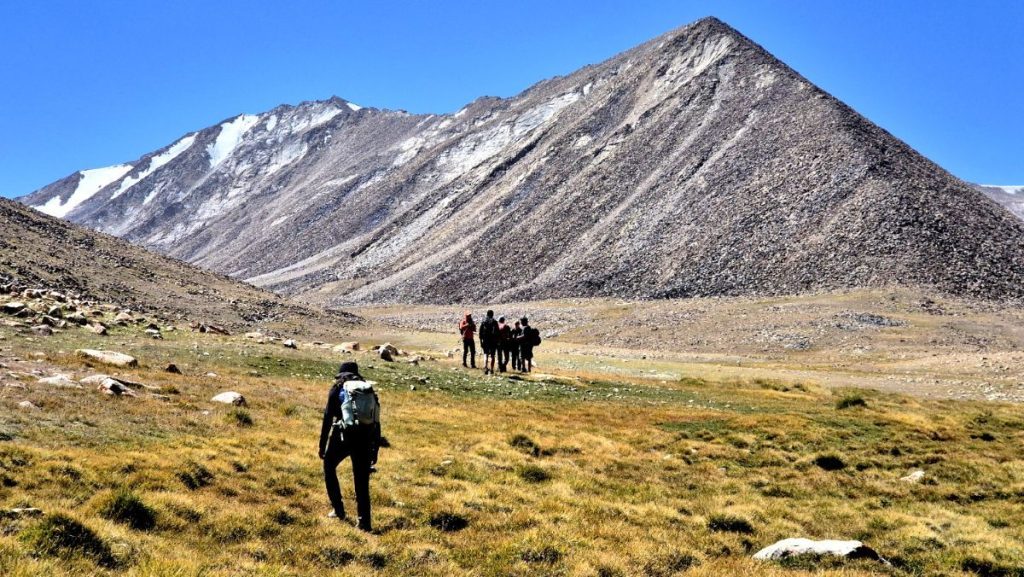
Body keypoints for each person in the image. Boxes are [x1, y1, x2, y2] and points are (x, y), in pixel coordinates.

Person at [319, 361, 380, 532]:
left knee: (329, 466)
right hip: (365, 438)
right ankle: (364, 523)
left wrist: (322, 445)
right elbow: (376, 420)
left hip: (343, 436)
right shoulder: (367, 390)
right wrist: (375, 448)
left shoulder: (338, 387)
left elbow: (327, 418)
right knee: (361, 480)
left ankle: (338, 510)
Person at [479, 310, 499, 375]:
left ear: (487, 314)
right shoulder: (495, 322)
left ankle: (485, 367)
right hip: (493, 341)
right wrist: (497, 341)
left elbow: (480, 333)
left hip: (485, 340)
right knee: (493, 355)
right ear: (492, 314)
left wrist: (481, 342)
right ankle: (492, 369)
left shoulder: (484, 322)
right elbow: (497, 332)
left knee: (486, 354)